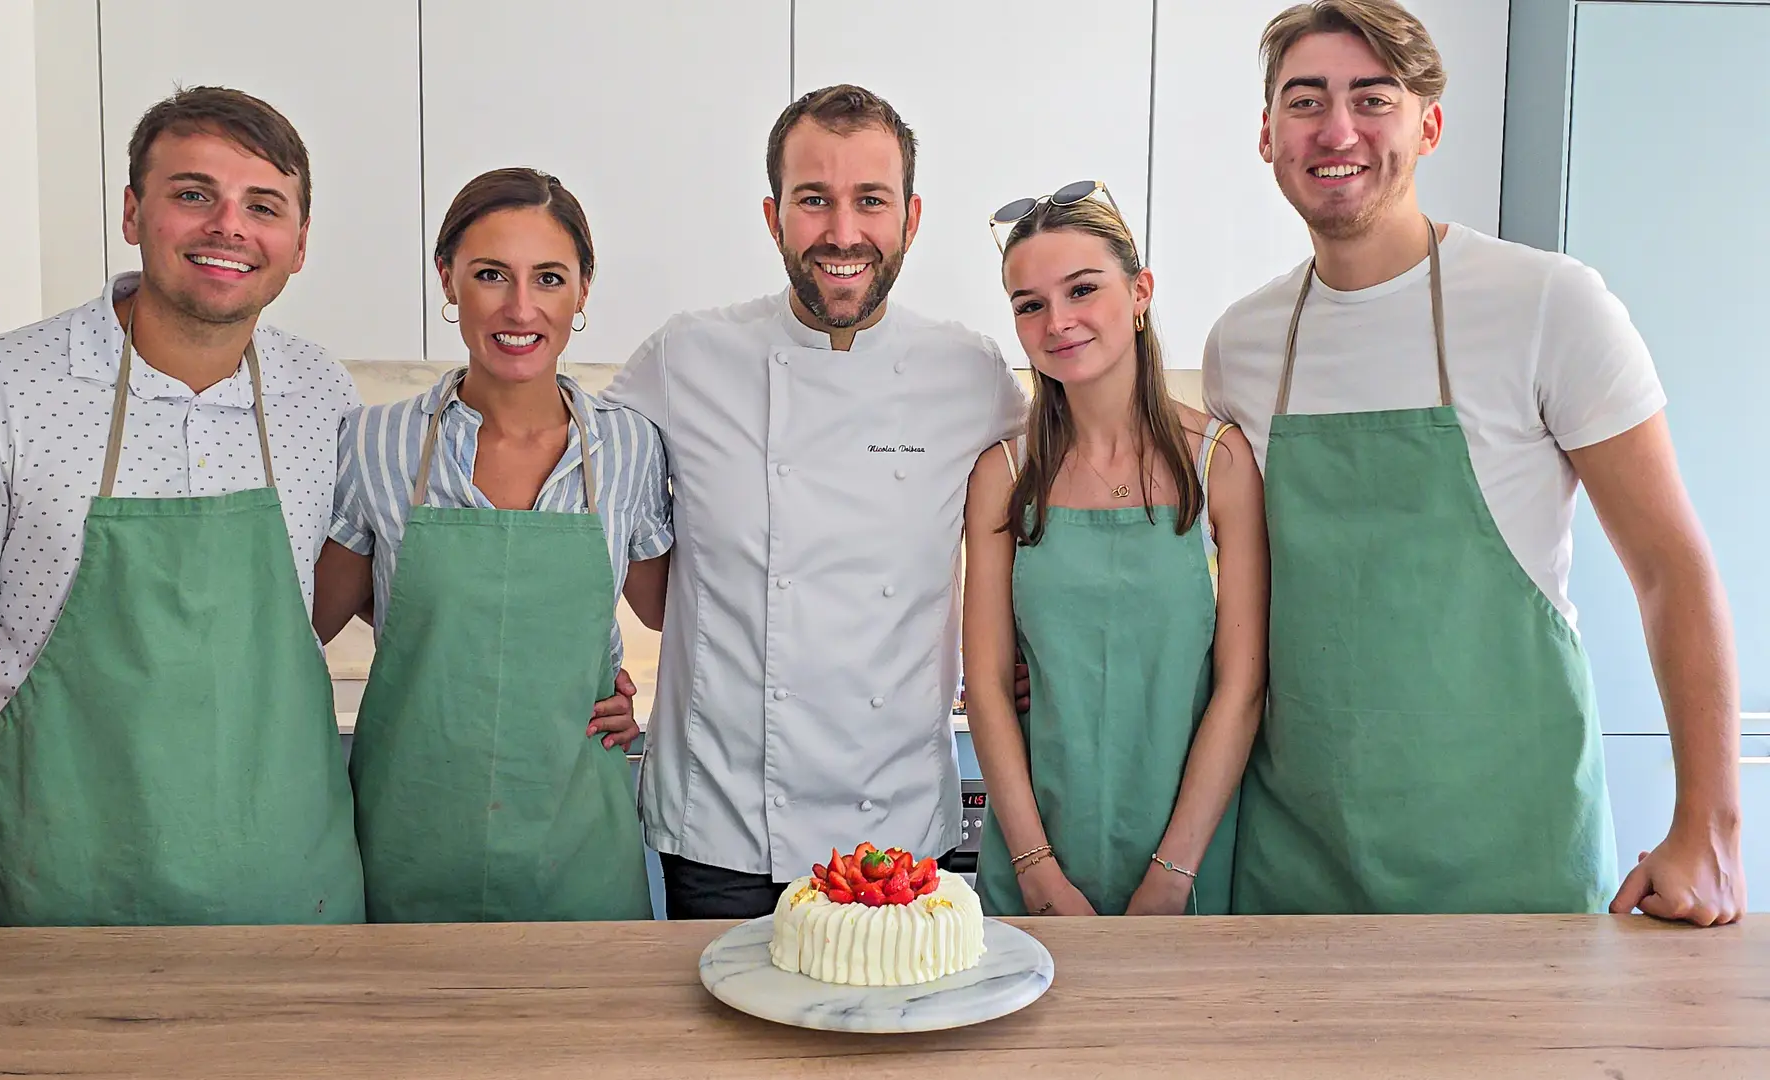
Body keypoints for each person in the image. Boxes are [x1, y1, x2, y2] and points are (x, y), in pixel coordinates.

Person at [1206, 0, 1745, 923]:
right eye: (1306, 101)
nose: (1337, 130)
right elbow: (1233, 601)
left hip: (1515, 859)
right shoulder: (1243, 347)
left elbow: (1669, 570)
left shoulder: (1547, 304)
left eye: (1372, 98)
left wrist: (1711, 826)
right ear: (1267, 135)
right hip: (1296, 870)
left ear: (1429, 123)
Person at [0, 87, 366, 927]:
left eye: (263, 206)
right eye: (193, 194)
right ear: (133, 213)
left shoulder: (323, 393)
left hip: (293, 902)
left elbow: (336, 598)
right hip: (64, 899)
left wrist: (570, 666)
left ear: (299, 244)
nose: (228, 227)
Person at [603, 85, 1028, 919]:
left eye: (870, 201)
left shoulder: (969, 373)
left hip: (898, 826)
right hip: (722, 825)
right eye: (813, 201)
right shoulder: (686, 357)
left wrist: (1032, 653)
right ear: (773, 217)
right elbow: (577, 496)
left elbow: (1064, 497)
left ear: (909, 218)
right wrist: (582, 665)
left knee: (889, 1046)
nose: (842, 234)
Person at [312, 168, 669, 922]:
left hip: (577, 840)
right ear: (447, 279)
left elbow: (681, 615)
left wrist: (642, 704)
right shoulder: (376, 443)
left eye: (548, 278)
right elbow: (306, 625)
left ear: (582, 291)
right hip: (411, 834)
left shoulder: (631, 449)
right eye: (489, 276)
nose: (520, 308)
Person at [963, 184, 1267, 918]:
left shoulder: (1220, 462)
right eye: (1029, 303)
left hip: (1191, 857)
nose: (1057, 321)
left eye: (1082, 290)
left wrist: (1172, 873)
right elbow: (989, 692)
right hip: (1037, 862)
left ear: (1140, 294)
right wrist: (1037, 873)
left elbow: (1241, 688)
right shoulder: (1002, 476)